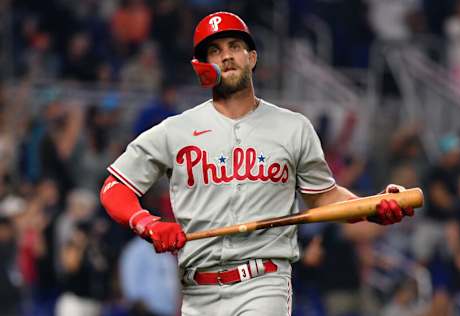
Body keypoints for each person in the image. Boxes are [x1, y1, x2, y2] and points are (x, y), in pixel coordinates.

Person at [100, 11, 414, 316]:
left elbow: (324, 198)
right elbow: (115, 186)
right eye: (214, 50)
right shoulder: (176, 130)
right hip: (198, 290)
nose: (226, 56)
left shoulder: (293, 127)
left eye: (234, 46)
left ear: (252, 57)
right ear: (202, 68)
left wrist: (373, 207)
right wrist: (147, 223)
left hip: (263, 283)